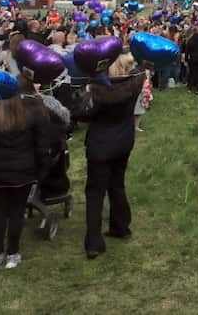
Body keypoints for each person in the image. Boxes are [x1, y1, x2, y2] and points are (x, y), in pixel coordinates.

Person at [73, 53, 144, 259]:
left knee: (95, 192)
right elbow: (141, 71)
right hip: (122, 142)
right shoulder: (132, 86)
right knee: (117, 184)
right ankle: (121, 226)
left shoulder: (100, 94)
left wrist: (84, 94)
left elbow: (80, 114)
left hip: (101, 146)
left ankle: (94, 242)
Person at [0, 87, 49, 270]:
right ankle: (12, 253)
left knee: (0, 212)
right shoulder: (27, 118)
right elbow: (38, 145)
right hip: (22, 172)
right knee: (17, 212)